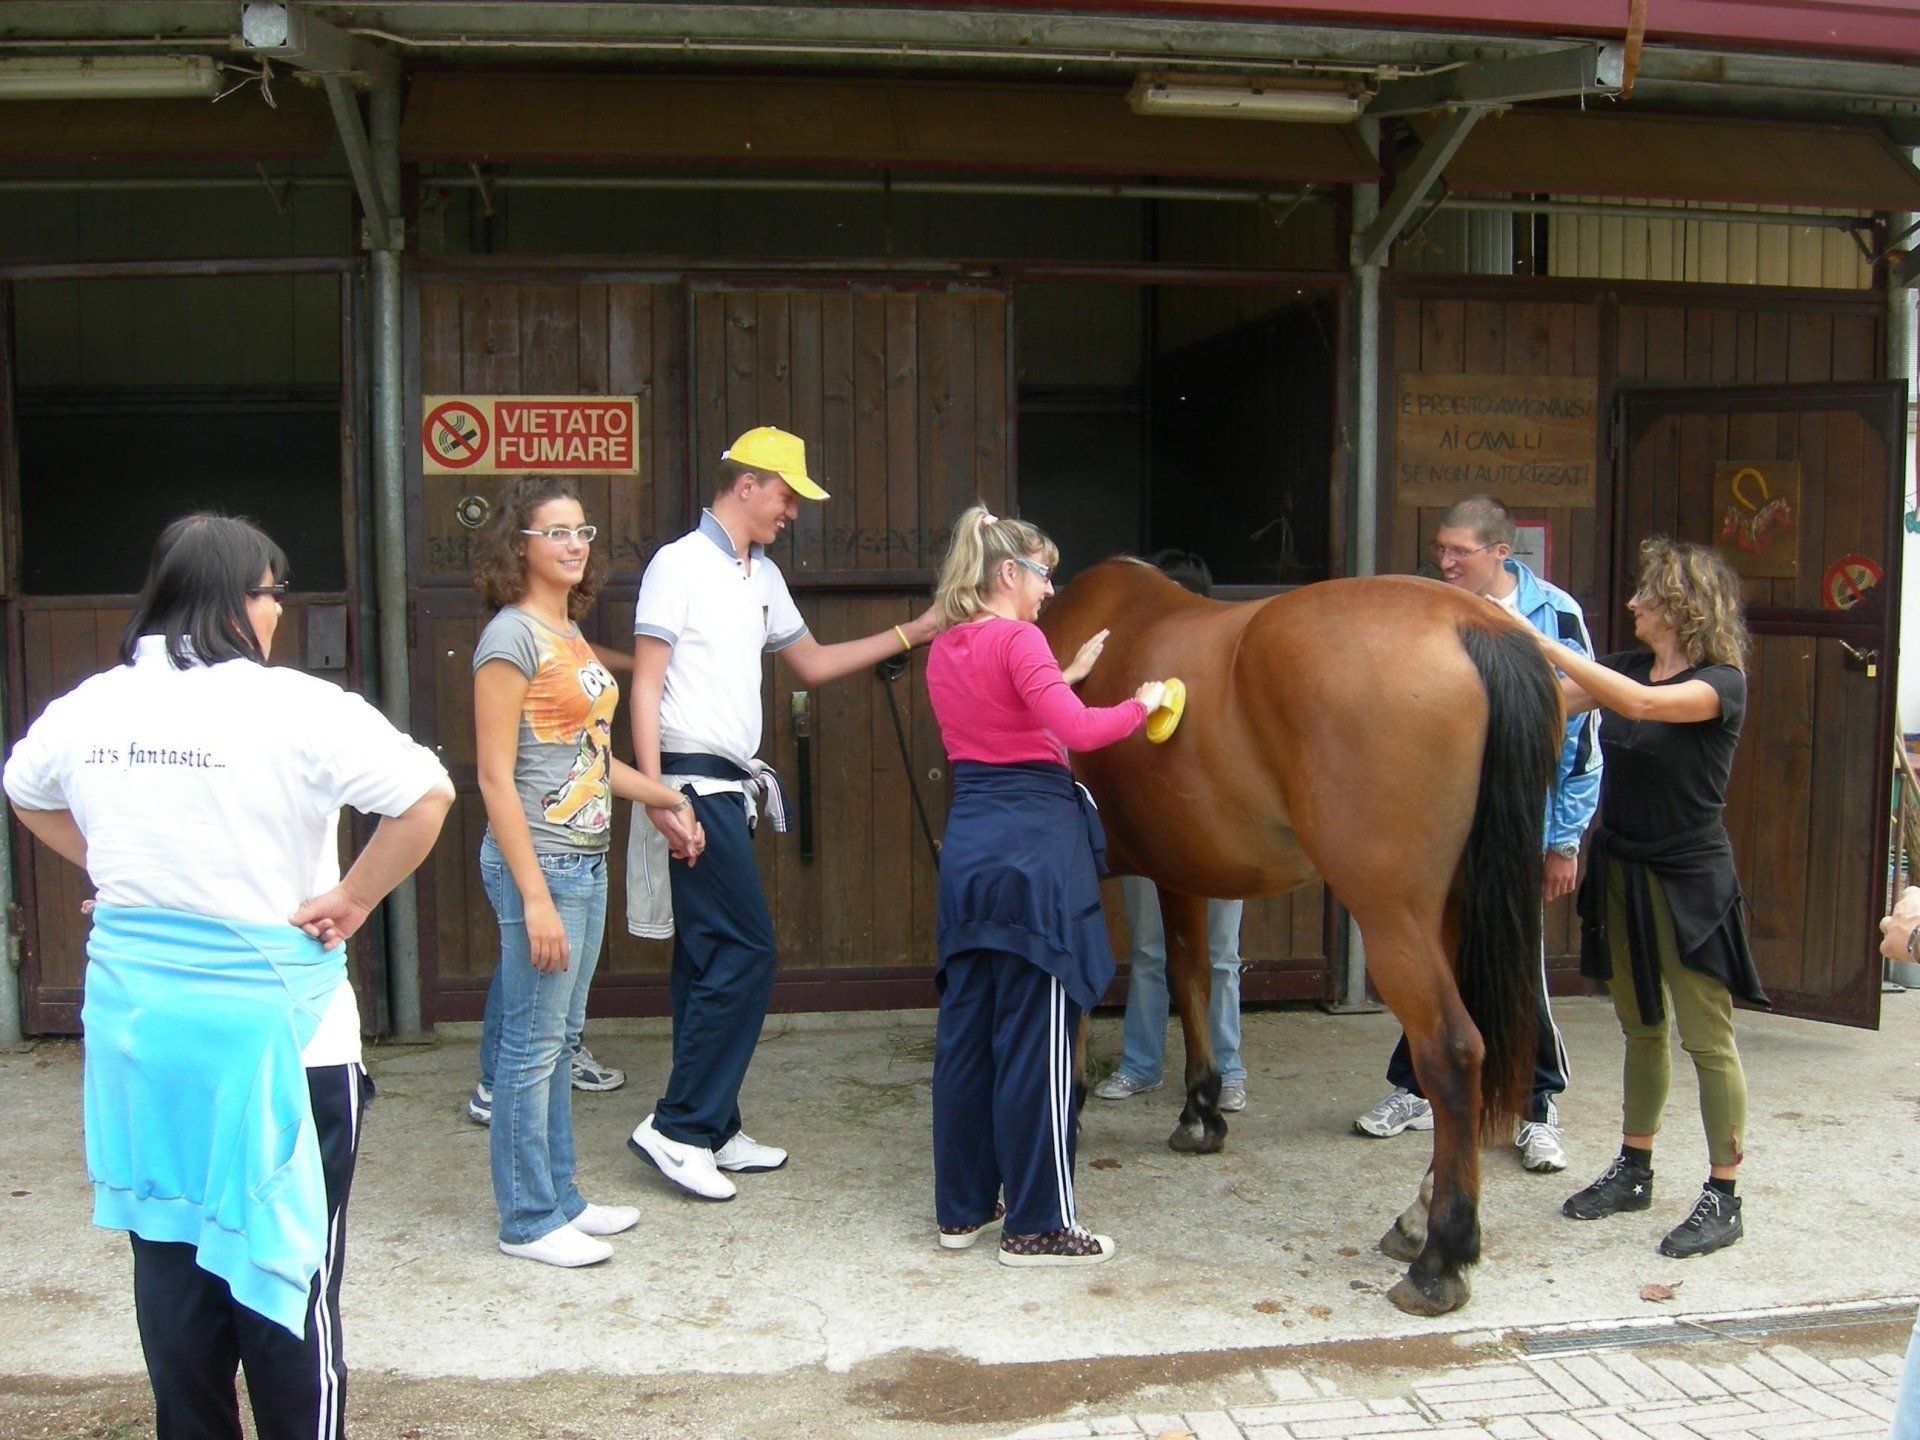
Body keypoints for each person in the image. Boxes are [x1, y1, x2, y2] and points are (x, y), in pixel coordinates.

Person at [2, 513, 453, 1440]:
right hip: (283, 1040)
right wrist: (354, 897)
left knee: (169, 1263)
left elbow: (23, 785)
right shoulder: (296, 706)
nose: (278, 611)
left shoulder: (92, 707)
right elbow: (426, 796)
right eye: (273, 592)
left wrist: (116, 871)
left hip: (145, 1035)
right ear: (241, 599)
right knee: (290, 1276)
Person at [625, 426, 942, 1202]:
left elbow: (815, 663)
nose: (793, 510)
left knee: (707, 959)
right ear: (748, 484)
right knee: (747, 953)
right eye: (787, 494)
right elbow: (645, 686)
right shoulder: (679, 564)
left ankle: (715, 1124)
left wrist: (922, 628)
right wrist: (662, 795)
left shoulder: (757, 573)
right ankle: (677, 1125)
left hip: (726, 785)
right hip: (692, 783)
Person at [468, 476, 708, 1267]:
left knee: (559, 1037)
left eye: (583, 530)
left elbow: (592, 762)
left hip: (583, 861)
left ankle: (562, 1195)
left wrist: (666, 798)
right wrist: (533, 894)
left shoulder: (567, 633)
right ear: (520, 546)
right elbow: (496, 778)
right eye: (556, 532)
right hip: (539, 866)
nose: (575, 544)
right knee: (529, 1049)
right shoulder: (511, 638)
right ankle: (528, 1220)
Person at [926, 505, 1166, 1265]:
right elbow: (1084, 730)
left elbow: (1004, 718)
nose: (1049, 590)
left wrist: (1061, 679)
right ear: (1007, 573)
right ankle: (1038, 1224)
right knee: (1037, 1043)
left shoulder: (947, 647)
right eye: (1042, 574)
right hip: (1035, 858)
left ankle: (962, 1210)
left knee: (968, 1038)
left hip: (971, 853)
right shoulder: (1018, 638)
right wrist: (1144, 703)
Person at [1354, 494, 1598, 1173]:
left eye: (1459, 550)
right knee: (1429, 953)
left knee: (1516, 961)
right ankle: (1416, 1088)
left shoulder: (1554, 614)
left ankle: (1537, 1108)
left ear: (1501, 552)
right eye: (1440, 547)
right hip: (1442, 815)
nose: (1444, 560)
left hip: (1517, 817)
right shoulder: (1430, 613)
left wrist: (1564, 840)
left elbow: (1583, 735)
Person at [1536, 536, 1764, 1258]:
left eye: (1646, 596)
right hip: (1625, 867)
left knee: (1706, 1038)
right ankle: (1634, 1168)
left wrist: (1538, 639)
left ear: (1681, 608)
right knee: (1639, 1027)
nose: (1631, 603)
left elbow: (1635, 703)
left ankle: (1723, 1196)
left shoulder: (1721, 683)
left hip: (1690, 877)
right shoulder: (1631, 666)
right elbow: (1555, 704)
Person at [1089, 549, 1249, 1114]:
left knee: (1220, 954)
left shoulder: (1225, 670)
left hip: (1213, 827)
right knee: (1152, 949)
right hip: (1152, 823)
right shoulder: (1136, 666)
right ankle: (1142, 1063)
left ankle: (1226, 1067)